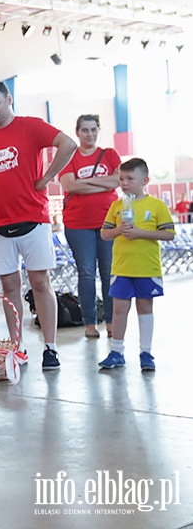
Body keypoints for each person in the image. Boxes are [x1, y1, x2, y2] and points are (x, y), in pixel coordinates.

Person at [0, 81, 77, 370]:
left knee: (40, 283)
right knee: (9, 286)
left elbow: (68, 144)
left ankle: (50, 347)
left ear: (9, 99)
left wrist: (47, 178)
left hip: (33, 220)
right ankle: (16, 347)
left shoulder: (31, 126)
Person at [99, 158, 175, 371]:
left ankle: (146, 352)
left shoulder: (156, 206)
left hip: (146, 268)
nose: (124, 183)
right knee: (119, 309)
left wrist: (140, 233)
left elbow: (169, 233)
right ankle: (116, 351)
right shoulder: (116, 206)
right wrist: (118, 230)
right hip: (122, 268)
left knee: (144, 307)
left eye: (130, 178)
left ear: (145, 180)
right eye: (121, 178)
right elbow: (105, 234)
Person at [58, 114, 121, 339]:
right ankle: (90, 323)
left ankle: (113, 321)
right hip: (78, 224)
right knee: (86, 273)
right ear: (77, 132)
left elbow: (118, 181)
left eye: (94, 129)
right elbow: (68, 185)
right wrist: (101, 185)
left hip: (109, 223)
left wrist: (83, 184)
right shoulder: (69, 157)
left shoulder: (110, 155)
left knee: (109, 272)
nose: (90, 134)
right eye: (85, 130)